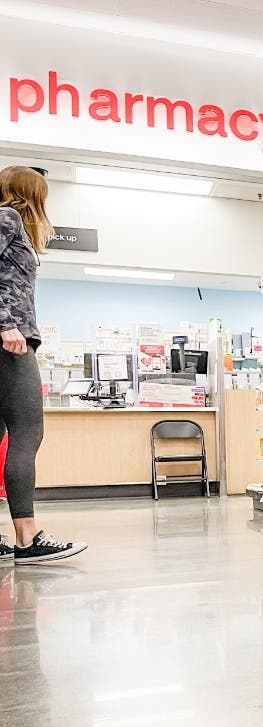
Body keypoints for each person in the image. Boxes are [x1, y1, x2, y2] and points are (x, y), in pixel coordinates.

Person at [0, 166, 85, 563]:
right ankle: (27, 537)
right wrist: (6, 324)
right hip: (10, 343)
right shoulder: (9, 216)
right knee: (27, 433)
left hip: (9, 339)